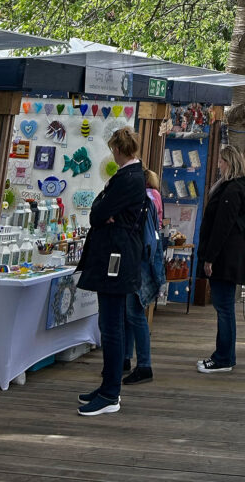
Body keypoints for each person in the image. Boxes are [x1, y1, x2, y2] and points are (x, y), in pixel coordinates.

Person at [76, 126, 146, 416]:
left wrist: (104, 210)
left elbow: (97, 214)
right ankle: (108, 383)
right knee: (110, 325)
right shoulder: (129, 177)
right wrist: (104, 210)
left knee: (112, 326)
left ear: (118, 150)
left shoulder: (128, 178)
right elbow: (101, 213)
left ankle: (110, 393)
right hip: (117, 255)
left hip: (117, 259)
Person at [196, 145, 245, 373]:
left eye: (221, 161)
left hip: (225, 257)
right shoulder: (239, 188)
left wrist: (209, 258)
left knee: (224, 308)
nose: (218, 165)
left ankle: (224, 357)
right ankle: (223, 354)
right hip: (231, 254)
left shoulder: (231, 191)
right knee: (225, 307)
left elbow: (222, 227)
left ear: (229, 163)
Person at [122, 167, 165, 385]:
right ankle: (126, 358)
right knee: (130, 311)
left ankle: (144, 364)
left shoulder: (145, 200)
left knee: (134, 312)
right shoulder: (150, 198)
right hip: (142, 258)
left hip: (139, 259)